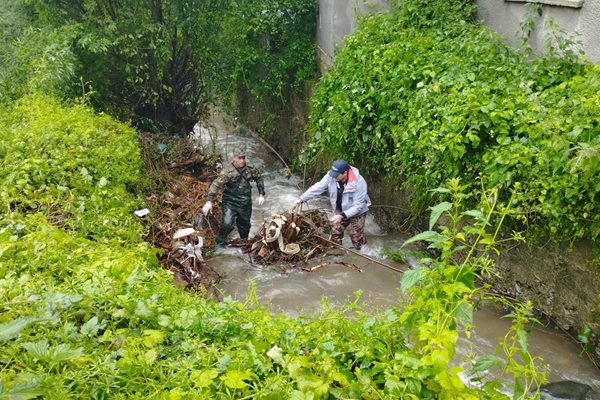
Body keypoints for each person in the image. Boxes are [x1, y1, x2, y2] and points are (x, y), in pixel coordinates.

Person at [292, 159, 370, 250]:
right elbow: (318, 187)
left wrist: (342, 215)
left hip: (357, 212)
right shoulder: (331, 176)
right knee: (335, 233)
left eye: (336, 175)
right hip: (340, 210)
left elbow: (358, 206)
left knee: (356, 237)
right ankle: (338, 254)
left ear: (345, 173)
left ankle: (365, 253)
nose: (333, 177)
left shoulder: (359, 183)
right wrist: (301, 199)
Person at [202, 147, 265, 246]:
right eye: (239, 158)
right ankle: (220, 244)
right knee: (227, 224)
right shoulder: (228, 171)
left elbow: (259, 178)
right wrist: (209, 201)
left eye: (243, 158)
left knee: (245, 226)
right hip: (230, 202)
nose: (242, 160)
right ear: (234, 158)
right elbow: (216, 184)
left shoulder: (250, 168)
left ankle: (244, 245)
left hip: (245, 202)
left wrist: (261, 194)